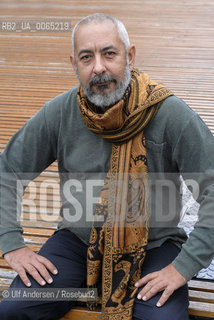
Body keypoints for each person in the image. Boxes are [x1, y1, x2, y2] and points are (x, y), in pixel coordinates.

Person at [0, 12, 214, 320]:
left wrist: (184, 266)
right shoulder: (60, 113)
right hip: (78, 242)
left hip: (153, 246)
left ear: (130, 55)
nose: (98, 67)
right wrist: (11, 243)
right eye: (86, 57)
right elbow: (7, 171)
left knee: (162, 319)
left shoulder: (170, 115)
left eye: (109, 53)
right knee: (14, 310)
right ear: (74, 64)